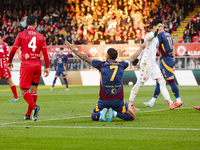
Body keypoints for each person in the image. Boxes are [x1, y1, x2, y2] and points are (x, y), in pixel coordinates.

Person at [65, 41, 144, 122]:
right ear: (116, 57)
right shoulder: (122, 65)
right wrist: (141, 48)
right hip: (118, 101)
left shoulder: (101, 65)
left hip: (103, 101)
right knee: (132, 117)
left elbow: (85, 58)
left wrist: (73, 49)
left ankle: (101, 113)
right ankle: (115, 114)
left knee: (93, 116)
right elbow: (132, 57)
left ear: (107, 56)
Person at [128, 19, 181, 111]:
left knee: (162, 82)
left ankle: (170, 103)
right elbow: (150, 37)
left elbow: (145, 48)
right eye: (159, 26)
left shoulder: (157, 39)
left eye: (161, 26)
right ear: (153, 27)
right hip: (146, 64)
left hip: (153, 64)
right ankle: (130, 104)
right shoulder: (149, 35)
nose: (161, 28)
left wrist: (139, 57)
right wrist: (139, 58)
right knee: (140, 83)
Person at [8, 16, 49, 121]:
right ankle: (28, 114)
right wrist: (47, 68)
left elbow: (13, 50)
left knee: (23, 90)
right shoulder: (41, 36)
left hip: (27, 64)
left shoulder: (21, 35)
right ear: (35, 24)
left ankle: (35, 107)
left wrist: (10, 61)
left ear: (26, 24)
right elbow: (45, 53)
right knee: (34, 90)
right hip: (37, 65)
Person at [144, 19, 183, 108]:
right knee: (160, 81)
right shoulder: (169, 35)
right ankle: (152, 101)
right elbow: (173, 48)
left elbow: (155, 46)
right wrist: (173, 61)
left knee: (171, 81)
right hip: (169, 59)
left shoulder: (160, 35)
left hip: (165, 60)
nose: (159, 28)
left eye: (160, 26)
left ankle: (178, 100)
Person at [0, 32, 19, 102]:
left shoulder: (2, 44)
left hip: (4, 65)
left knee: (9, 81)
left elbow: (0, 54)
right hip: (1, 65)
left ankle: (16, 97)